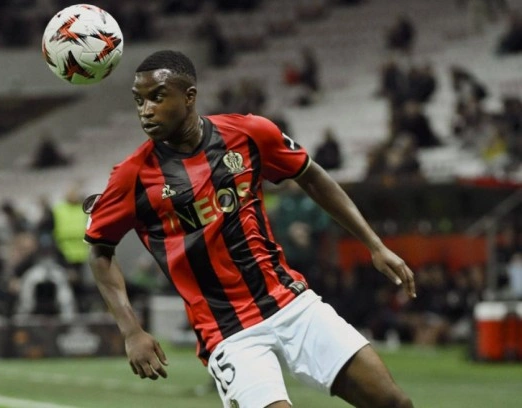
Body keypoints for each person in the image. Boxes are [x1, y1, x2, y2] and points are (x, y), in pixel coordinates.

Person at [84, 50, 416, 408]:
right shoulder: (132, 176)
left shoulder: (248, 133)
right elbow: (100, 251)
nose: (146, 110)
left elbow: (312, 176)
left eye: (157, 97)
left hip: (291, 303)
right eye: (139, 100)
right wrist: (131, 330)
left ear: (189, 96)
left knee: (394, 403)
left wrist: (375, 245)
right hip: (228, 332)